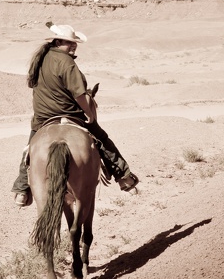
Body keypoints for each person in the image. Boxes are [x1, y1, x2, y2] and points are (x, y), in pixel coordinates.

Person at [12, 22, 138, 207]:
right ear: (57, 41)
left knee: (30, 148)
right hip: (69, 113)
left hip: (42, 118)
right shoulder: (67, 62)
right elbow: (79, 94)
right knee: (103, 139)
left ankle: (22, 190)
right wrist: (89, 114)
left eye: (74, 42)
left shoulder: (40, 60)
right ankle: (123, 177)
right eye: (68, 42)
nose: (73, 45)